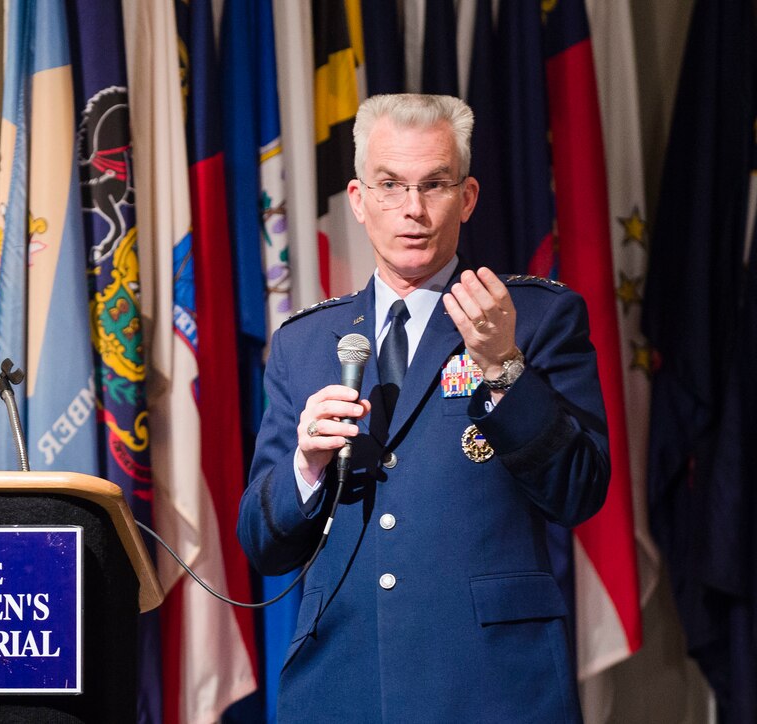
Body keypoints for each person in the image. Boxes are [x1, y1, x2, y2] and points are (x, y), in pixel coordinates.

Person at [237, 93, 609, 722]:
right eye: (390, 185)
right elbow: (262, 546)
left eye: (435, 184)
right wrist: (306, 466)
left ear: (466, 198)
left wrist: (503, 368)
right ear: (357, 200)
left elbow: (579, 492)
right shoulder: (304, 345)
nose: (413, 209)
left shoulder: (537, 319)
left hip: (491, 683)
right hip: (342, 684)